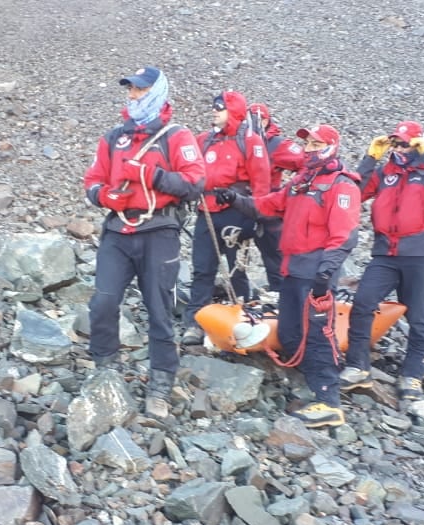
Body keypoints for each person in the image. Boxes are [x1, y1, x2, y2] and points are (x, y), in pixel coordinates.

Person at [217, 124, 361, 428]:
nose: (308, 149)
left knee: (319, 334)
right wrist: (234, 200)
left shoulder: (341, 185)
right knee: (292, 332)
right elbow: (270, 205)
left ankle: (329, 402)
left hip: (315, 274)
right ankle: (311, 383)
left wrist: (325, 274)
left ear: (330, 147)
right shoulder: (301, 182)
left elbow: (344, 236)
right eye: (306, 144)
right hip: (293, 270)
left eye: (315, 143)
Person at [83, 66, 205, 418]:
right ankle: (105, 368)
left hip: (160, 231)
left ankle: (161, 382)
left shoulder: (177, 137)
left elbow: (195, 182)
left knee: (159, 308)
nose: (132, 96)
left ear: (157, 92)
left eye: (139, 90)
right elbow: (91, 181)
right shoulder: (113, 137)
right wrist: (106, 196)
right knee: (103, 303)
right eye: (131, 90)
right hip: (118, 231)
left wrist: (152, 176)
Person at [339, 120, 424, 400]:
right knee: (363, 302)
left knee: (418, 314)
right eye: (396, 142)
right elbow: (354, 192)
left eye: (406, 142)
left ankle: (414, 372)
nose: (400, 148)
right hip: (385, 253)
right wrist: (371, 157)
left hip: (420, 253)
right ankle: (358, 366)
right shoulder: (386, 172)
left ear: (418, 143)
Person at [181, 91, 271, 346]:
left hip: (235, 212)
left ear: (233, 112)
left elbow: (261, 182)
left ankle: (244, 322)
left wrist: (256, 217)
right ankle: (196, 322)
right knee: (202, 270)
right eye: (214, 107)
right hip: (206, 212)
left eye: (219, 108)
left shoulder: (250, 142)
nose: (213, 111)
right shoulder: (205, 140)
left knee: (236, 270)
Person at [247, 102, 305, 296]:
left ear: (265, 121)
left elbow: (307, 163)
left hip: (269, 210)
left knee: (276, 258)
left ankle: (283, 298)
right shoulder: (242, 141)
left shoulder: (276, 144)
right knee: (244, 256)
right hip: (245, 205)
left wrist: (293, 190)